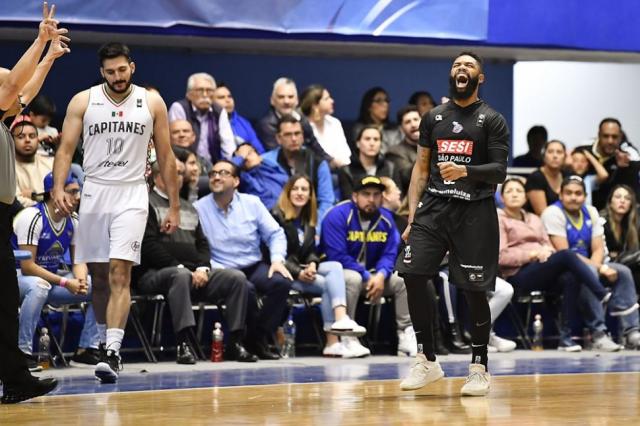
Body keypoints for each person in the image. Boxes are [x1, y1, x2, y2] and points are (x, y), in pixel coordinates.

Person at [52, 42, 181, 384]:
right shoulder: (83, 100)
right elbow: (65, 150)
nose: (117, 76)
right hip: (95, 189)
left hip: (132, 193)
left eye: (122, 69)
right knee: (98, 277)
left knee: (119, 272)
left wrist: (174, 204)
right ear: (102, 73)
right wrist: (58, 187)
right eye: (110, 72)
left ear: (132, 67)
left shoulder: (151, 101)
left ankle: (112, 350)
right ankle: (101, 341)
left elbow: (166, 156)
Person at [396, 52, 510, 397]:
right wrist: (412, 216)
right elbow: (421, 168)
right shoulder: (433, 117)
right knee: (412, 273)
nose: (462, 68)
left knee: (474, 290)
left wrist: (465, 171)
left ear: (480, 78)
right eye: (457, 65)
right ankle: (427, 360)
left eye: (469, 66)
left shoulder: (492, 119)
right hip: (433, 209)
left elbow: (499, 171)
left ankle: (479, 367)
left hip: (474, 213)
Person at [0, 1, 68, 403]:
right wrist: (40, 41)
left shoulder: (4, 118)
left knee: (5, 302)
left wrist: (48, 58)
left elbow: (21, 93)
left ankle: (16, 380)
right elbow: (13, 86)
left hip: (1, 216)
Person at [136, 159, 258, 363]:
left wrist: (203, 268)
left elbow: (202, 244)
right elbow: (147, 245)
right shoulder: (146, 204)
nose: (180, 178)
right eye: (175, 172)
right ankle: (183, 344)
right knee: (180, 275)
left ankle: (235, 343)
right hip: (155, 274)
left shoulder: (188, 207)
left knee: (236, 278)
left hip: (192, 274)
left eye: (181, 173)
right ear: (157, 177)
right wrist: (180, 266)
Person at [498, 177, 616, 351]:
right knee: (567, 254)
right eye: (509, 191)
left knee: (570, 277)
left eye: (519, 191)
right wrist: (531, 255)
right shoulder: (498, 219)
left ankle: (566, 339)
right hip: (517, 274)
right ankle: (601, 293)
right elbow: (501, 256)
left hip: (542, 268)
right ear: (502, 197)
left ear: (525, 197)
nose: (514, 194)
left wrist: (547, 251)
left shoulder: (534, 218)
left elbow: (547, 244)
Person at [194, 160, 292, 359]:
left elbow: (275, 234)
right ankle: (249, 343)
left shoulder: (252, 203)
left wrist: (277, 260)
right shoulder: (199, 208)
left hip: (252, 265)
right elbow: (197, 246)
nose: (216, 177)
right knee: (245, 288)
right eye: (213, 173)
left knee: (281, 283)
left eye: (223, 173)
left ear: (236, 181)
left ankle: (256, 338)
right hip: (221, 269)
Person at [272, 174, 366, 358]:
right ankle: (332, 340)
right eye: (295, 189)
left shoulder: (308, 219)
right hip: (283, 272)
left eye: (304, 189)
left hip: (301, 269)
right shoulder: (276, 216)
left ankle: (340, 319)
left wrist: (313, 264)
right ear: (288, 192)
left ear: (310, 195)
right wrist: (299, 272)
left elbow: (311, 251)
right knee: (325, 284)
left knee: (334, 266)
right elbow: (275, 253)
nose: (300, 193)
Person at [321, 176, 415, 358]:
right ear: (355, 196)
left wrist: (380, 275)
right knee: (353, 278)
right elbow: (337, 255)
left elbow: (390, 254)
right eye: (366, 194)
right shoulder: (337, 215)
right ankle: (348, 336)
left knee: (403, 280)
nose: (371, 199)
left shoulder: (386, 219)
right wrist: (366, 276)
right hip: (342, 274)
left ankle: (405, 335)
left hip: (374, 277)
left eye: (376, 194)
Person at [541, 176, 640, 349]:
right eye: (569, 193)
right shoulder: (552, 213)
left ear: (585, 196)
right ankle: (598, 333)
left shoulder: (591, 211)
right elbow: (565, 252)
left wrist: (598, 267)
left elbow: (598, 248)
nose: (574, 197)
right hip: (561, 270)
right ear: (561, 195)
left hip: (590, 264)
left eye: (578, 193)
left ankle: (632, 331)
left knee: (623, 271)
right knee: (588, 272)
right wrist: (599, 268)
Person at [13, 172, 100, 367]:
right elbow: (28, 267)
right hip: (17, 278)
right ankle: (22, 352)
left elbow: (78, 260)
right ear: (54, 193)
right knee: (39, 286)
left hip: (50, 280)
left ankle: (86, 349)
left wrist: (80, 280)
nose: (77, 197)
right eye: (72, 192)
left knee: (100, 286)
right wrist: (65, 282)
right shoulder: (32, 217)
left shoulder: (74, 220)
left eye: (78, 191)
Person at [262, 115, 335, 222]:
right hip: (277, 220)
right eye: (288, 135)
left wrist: (315, 227)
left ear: (303, 136)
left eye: (297, 133)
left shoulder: (318, 163)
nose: (294, 139)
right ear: (278, 138)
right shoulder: (266, 163)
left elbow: (326, 201)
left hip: (309, 222)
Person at [257, 77, 331, 161]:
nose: (286, 101)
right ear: (272, 101)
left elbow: (316, 147)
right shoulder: (266, 124)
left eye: (290, 97)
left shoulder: (301, 118)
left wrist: (332, 161)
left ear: (297, 101)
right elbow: (279, 158)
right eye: (281, 97)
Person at [168, 72, 235, 163]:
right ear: (189, 94)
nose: (205, 94)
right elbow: (176, 143)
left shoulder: (219, 111)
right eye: (200, 90)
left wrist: (230, 164)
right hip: (184, 162)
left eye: (209, 90)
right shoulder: (179, 108)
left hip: (212, 165)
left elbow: (228, 144)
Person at [574, 118, 640, 210]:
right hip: (584, 208)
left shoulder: (628, 155)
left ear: (620, 137)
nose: (610, 141)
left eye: (614, 137)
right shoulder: (583, 150)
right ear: (599, 135)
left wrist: (622, 169)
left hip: (614, 211)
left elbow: (633, 192)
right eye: (606, 136)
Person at [601, 185, 640, 295]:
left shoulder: (630, 224)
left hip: (626, 264)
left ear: (631, 204)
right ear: (610, 202)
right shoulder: (602, 221)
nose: (622, 201)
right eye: (618, 197)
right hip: (606, 266)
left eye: (627, 198)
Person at [300, 84, 351, 168]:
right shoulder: (303, 127)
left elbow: (345, 153)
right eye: (326, 99)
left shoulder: (334, 123)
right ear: (314, 105)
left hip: (340, 168)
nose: (332, 101)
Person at [337, 126, 395, 200]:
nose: (372, 143)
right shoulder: (346, 171)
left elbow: (396, 196)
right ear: (358, 143)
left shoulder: (390, 167)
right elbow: (349, 199)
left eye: (376, 139)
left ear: (381, 144)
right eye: (367, 139)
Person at [12, 115, 53, 207]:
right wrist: (48, 204)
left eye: (32, 136)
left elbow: (63, 195)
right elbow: (17, 202)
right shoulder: (7, 169)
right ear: (12, 141)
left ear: (37, 139)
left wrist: (33, 196)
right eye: (21, 137)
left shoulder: (51, 162)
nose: (27, 140)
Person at [233, 143, 289, 210]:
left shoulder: (272, 168)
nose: (247, 157)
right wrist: (240, 158)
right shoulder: (244, 178)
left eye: (249, 152)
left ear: (259, 156)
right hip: (269, 212)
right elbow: (229, 169)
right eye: (243, 157)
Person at [213, 82, 265, 154]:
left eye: (229, 96)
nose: (228, 100)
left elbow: (260, 151)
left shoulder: (244, 123)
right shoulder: (210, 125)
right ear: (211, 102)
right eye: (221, 97)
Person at [351, 87, 403, 154]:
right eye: (379, 101)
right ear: (368, 106)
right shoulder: (360, 129)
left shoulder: (394, 128)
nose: (385, 104)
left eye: (387, 101)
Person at [525, 140, 567, 216]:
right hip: (543, 221)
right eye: (550, 152)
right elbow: (543, 214)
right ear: (544, 156)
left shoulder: (567, 175)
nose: (555, 156)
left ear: (564, 157)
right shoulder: (536, 177)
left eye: (559, 152)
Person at [386, 105, 421, 195]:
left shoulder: (436, 143)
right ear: (401, 128)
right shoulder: (394, 151)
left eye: (416, 119)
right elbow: (407, 177)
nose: (413, 125)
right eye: (407, 122)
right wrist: (426, 148)